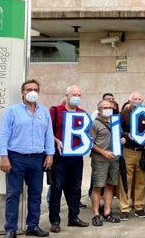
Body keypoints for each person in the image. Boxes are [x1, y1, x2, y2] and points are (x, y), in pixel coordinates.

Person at [0, 79, 54, 238]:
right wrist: (4, 157)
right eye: (29, 89)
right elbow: (3, 135)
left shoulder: (44, 111)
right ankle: (11, 229)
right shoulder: (12, 111)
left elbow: (49, 135)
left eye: (35, 89)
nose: (32, 92)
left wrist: (50, 154)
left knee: (35, 194)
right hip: (16, 158)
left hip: (37, 159)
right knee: (13, 194)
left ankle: (33, 226)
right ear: (23, 92)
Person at [48, 85, 89, 233]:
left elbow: (86, 133)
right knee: (57, 188)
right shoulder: (55, 111)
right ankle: (55, 221)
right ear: (66, 96)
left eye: (79, 94)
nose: (76, 97)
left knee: (75, 188)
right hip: (60, 157)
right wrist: (56, 140)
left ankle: (73, 217)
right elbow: (46, 131)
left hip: (77, 157)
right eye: (73, 94)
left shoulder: (83, 113)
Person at [118, 92, 145, 220]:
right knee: (126, 180)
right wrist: (126, 136)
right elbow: (118, 130)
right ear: (129, 100)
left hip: (143, 152)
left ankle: (139, 207)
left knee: (141, 181)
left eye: (139, 99)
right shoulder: (124, 114)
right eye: (135, 99)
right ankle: (125, 208)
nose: (137, 100)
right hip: (129, 151)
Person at [90, 100, 123, 226]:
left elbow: (118, 137)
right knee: (98, 186)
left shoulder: (116, 123)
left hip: (114, 158)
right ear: (99, 110)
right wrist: (103, 152)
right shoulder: (94, 124)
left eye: (110, 107)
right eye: (105, 107)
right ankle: (96, 215)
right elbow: (90, 143)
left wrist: (122, 140)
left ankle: (107, 212)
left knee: (110, 185)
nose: (108, 109)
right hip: (100, 159)